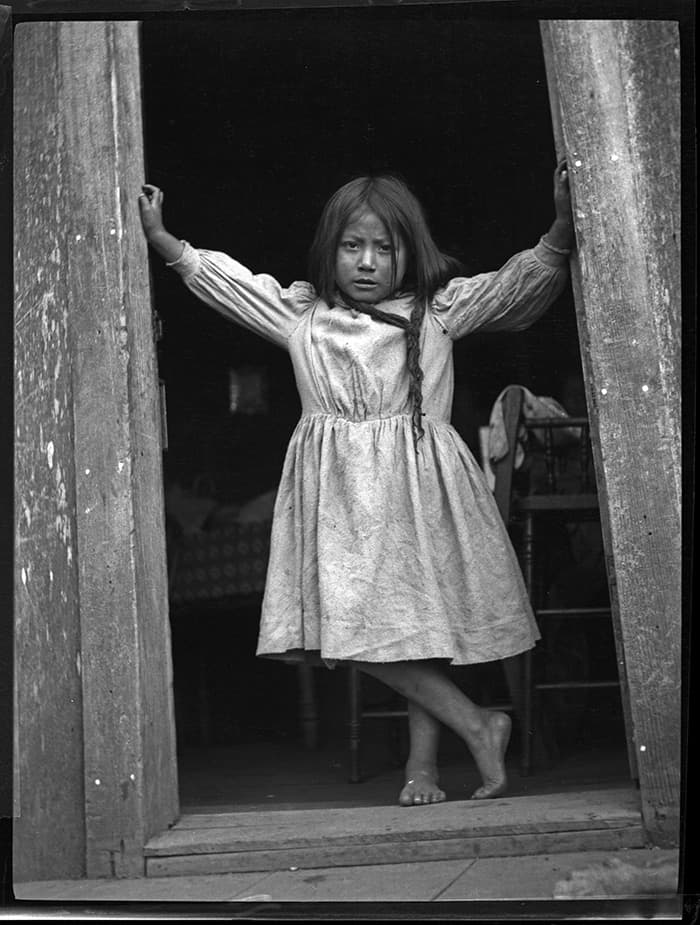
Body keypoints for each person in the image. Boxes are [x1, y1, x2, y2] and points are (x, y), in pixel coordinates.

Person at [138, 162, 574, 806]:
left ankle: (422, 768)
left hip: (422, 490)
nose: (367, 262)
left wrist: (561, 230)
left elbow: (515, 288)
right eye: (352, 246)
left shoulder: (436, 312)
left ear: (410, 253)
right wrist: (165, 242)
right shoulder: (303, 316)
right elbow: (233, 287)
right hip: (340, 499)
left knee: (421, 627)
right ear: (330, 249)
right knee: (349, 629)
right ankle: (477, 724)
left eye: (384, 248)